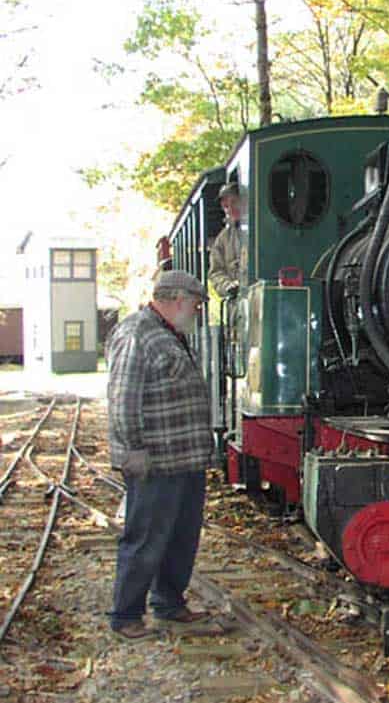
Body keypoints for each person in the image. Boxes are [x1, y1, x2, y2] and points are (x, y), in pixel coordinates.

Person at [106, 270, 215, 641]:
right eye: (196, 305)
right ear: (178, 300)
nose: (197, 313)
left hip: (184, 460)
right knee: (146, 538)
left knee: (181, 537)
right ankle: (126, 614)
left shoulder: (169, 335)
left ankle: (169, 602)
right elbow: (123, 398)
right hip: (155, 461)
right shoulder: (138, 334)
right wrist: (133, 450)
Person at [208, 181, 241, 297]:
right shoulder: (223, 239)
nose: (230, 209)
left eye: (234, 202)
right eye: (226, 206)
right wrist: (227, 286)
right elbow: (215, 272)